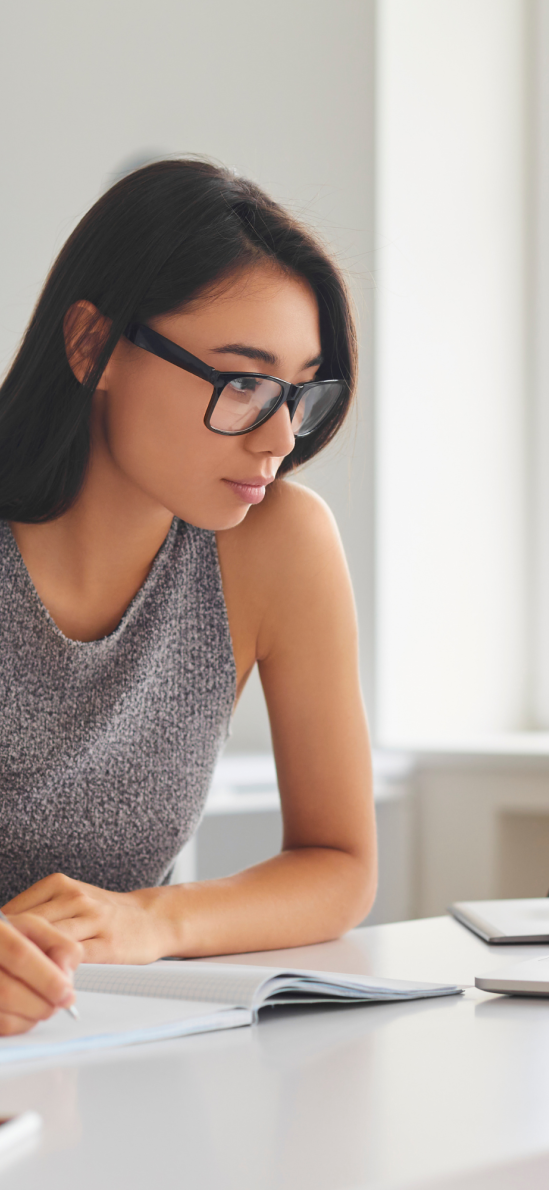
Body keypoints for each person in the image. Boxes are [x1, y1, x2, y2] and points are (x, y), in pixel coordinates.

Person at [0, 160, 376, 1035]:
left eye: (298, 392)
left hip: (104, 1043)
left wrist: (149, 919)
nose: (280, 437)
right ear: (92, 345)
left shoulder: (276, 545)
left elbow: (339, 863)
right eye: (242, 382)